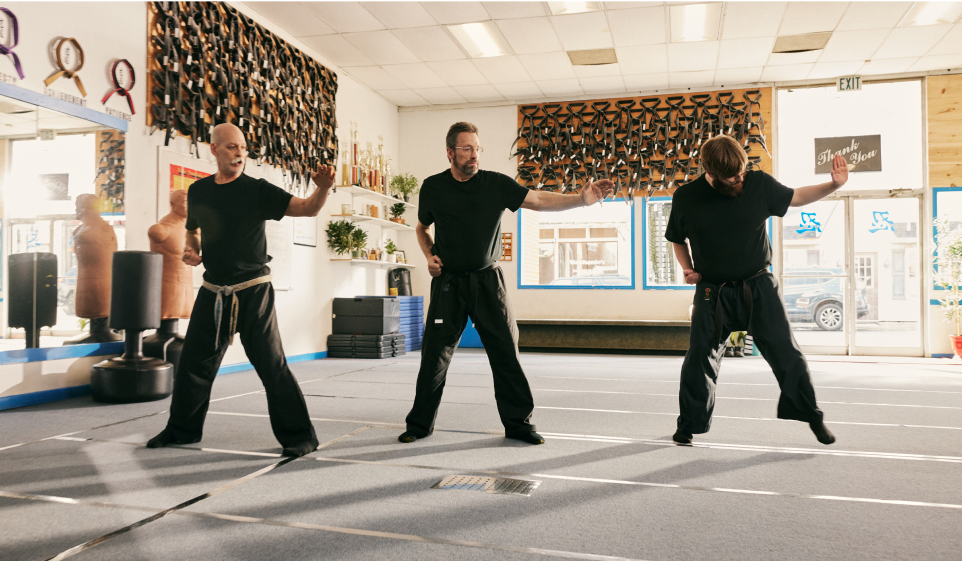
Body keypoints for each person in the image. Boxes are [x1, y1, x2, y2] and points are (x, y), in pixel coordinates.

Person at [398, 122, 613, 445]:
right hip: (449, 283)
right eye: (467, 149)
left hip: (488, 282)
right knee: (434, 356)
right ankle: (419, 424)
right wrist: (429, 255)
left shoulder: (496, 184)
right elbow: (421, 228)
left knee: (505, 354)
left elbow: (539, 200)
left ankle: (519, 425)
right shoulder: (432, 187)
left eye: (477, 148)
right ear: (450, 153)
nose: (474, 155)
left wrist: (580, 201)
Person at [148, 123, 335, 457]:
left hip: (253, 290)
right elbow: (193, 232)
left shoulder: (258, 190)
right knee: (193, 364)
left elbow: (308, 208)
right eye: (232, 147)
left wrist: (322, 189)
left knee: (271, 364)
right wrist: (191, 248)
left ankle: (300, 438)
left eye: (243, 149)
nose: (239, 154)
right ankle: (182, 431)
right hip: (213, 289)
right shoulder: (199, 191)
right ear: (214, 149)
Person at [666, 135, 848, 446]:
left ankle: (812, 416)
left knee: (787, 354)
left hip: (758, 286)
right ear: (709, 170)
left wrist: (834, 185)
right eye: (731, 176)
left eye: (740, 172)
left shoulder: (758, 183)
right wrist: (686, 267)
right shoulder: (686, 197)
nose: (738, 179)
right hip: (713, 291)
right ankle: (689, 424)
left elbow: (797, 197)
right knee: (699, 358)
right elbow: (677, 239)